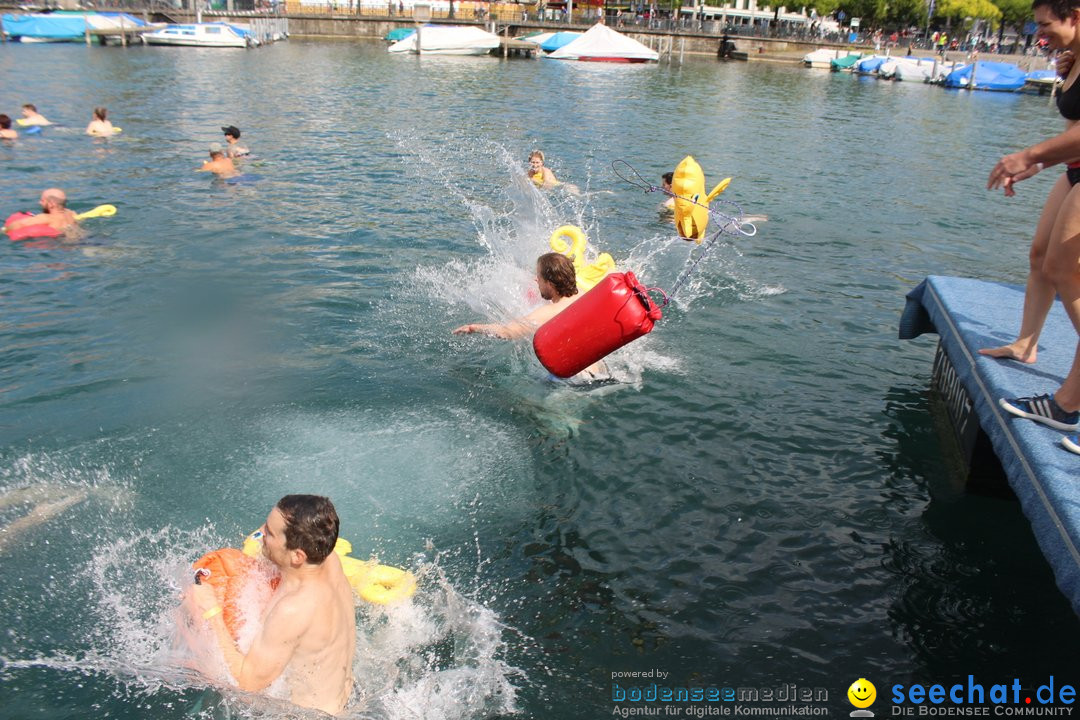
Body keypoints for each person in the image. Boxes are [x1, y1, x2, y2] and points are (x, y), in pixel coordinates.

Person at [984, 0, 1080, 453]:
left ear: (1075, 16)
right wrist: (1040, 164)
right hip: (1075, 168)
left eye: (1046, 24)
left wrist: (1030, 154)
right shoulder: (1071, 59)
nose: (1040, 34)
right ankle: (1026, 344)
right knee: (1041, 257)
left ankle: (1068, 402)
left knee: (1067, 271)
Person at [188, 495, 356, 716]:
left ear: (297, 555)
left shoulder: (294, 608)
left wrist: (210, 611)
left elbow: (246, 683)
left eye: (269, 533)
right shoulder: (328, 558)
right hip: (343, 704)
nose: (261, 536)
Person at [453, 253, 608, 379]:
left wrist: (474, 328)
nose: (536, 280)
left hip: (577, 381)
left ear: (550, 284)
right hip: (600, 372)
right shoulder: (584, 295)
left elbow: (507, 333)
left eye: (539, 277)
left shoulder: (550, 312)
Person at [5, 189, 78, 234]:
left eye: (42, 200)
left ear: (51, 204)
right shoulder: (71, 213)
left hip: (63, 243)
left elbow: (20, 224)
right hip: (82, 238)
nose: (40, 203)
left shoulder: (46, 218)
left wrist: (4, 230)